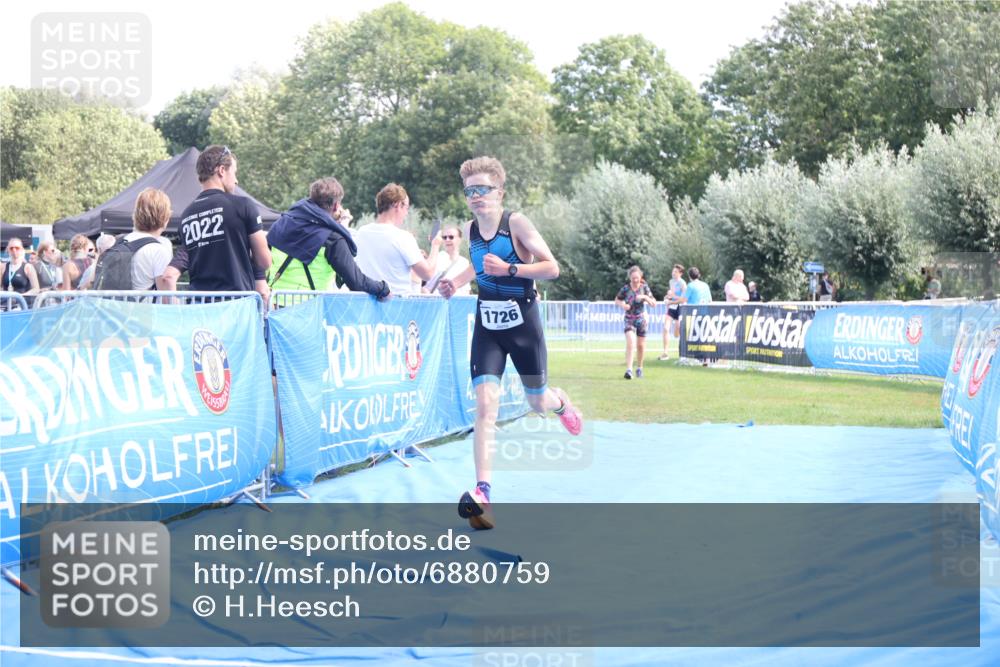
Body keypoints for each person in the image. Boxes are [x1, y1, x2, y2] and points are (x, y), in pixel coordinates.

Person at [436, 156, 583, 530]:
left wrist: (513, 269)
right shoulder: (469, 230)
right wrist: (457, 281)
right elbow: (479, 264)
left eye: (483, 189)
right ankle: (483, 493)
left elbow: (552, 268)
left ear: (499, 192)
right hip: (488, 324)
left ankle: (560, 402)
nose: (476, 196)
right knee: (486, 405)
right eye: (470, 191)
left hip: (523, 323)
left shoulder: (516, 223)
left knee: (537, 400)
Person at [267, 177, 389, 298]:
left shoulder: (282, 223)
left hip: (273, 303)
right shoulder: (332, 239)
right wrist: (383, 289)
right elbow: (356, 282)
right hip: (306, 308)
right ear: (336, 206)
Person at [178, 145, 271, 292]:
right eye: (234, 173)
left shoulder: (186, 216)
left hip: (199, 306)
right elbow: (264, 262)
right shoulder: (243, 205)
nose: (236, 180)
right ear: (221, 170)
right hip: (235, 305)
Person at [354, 184, 442, 296]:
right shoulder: (403, 237)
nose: (406, 213)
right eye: (407, 208)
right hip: (396, 306)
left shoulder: (361, 233)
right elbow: (428, 274)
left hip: (367, 306)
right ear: (398, 204)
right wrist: (436, 245)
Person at [615, 265, 656, 379]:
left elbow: (654, 303)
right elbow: (617, 300)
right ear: (630, 277)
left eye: (637, 277)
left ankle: (640, 368)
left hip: (641, 318)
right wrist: (623, 305)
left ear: (640, 276)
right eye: (633, 278)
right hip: (629, 318)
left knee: (641, 346)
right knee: (630, 342)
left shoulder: (644, 287)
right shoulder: (625, 289)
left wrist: (644, 297)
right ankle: (629, 370)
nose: (635, 280)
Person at [423, 224, 471, 295]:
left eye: (451, 237)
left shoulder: (464, 262)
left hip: (456, 303)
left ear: (459, 239)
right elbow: (424, 283)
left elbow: (466, 289)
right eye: (444, 237)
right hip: (436, 302)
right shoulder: (436, 257)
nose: (447, 240)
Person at [659, 263, 686, 361]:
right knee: (666, 328)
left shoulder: (683, 283)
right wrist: (667, 297)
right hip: (672, 307)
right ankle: (665, 353)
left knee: (676, 334)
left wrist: (672, 299)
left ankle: (682, 352)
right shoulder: (671, 281)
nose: (673, 273)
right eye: (673, 271)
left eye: (676, 272)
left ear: (680, 273)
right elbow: (672, 294)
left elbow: (683, 299)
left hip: (680, 307)